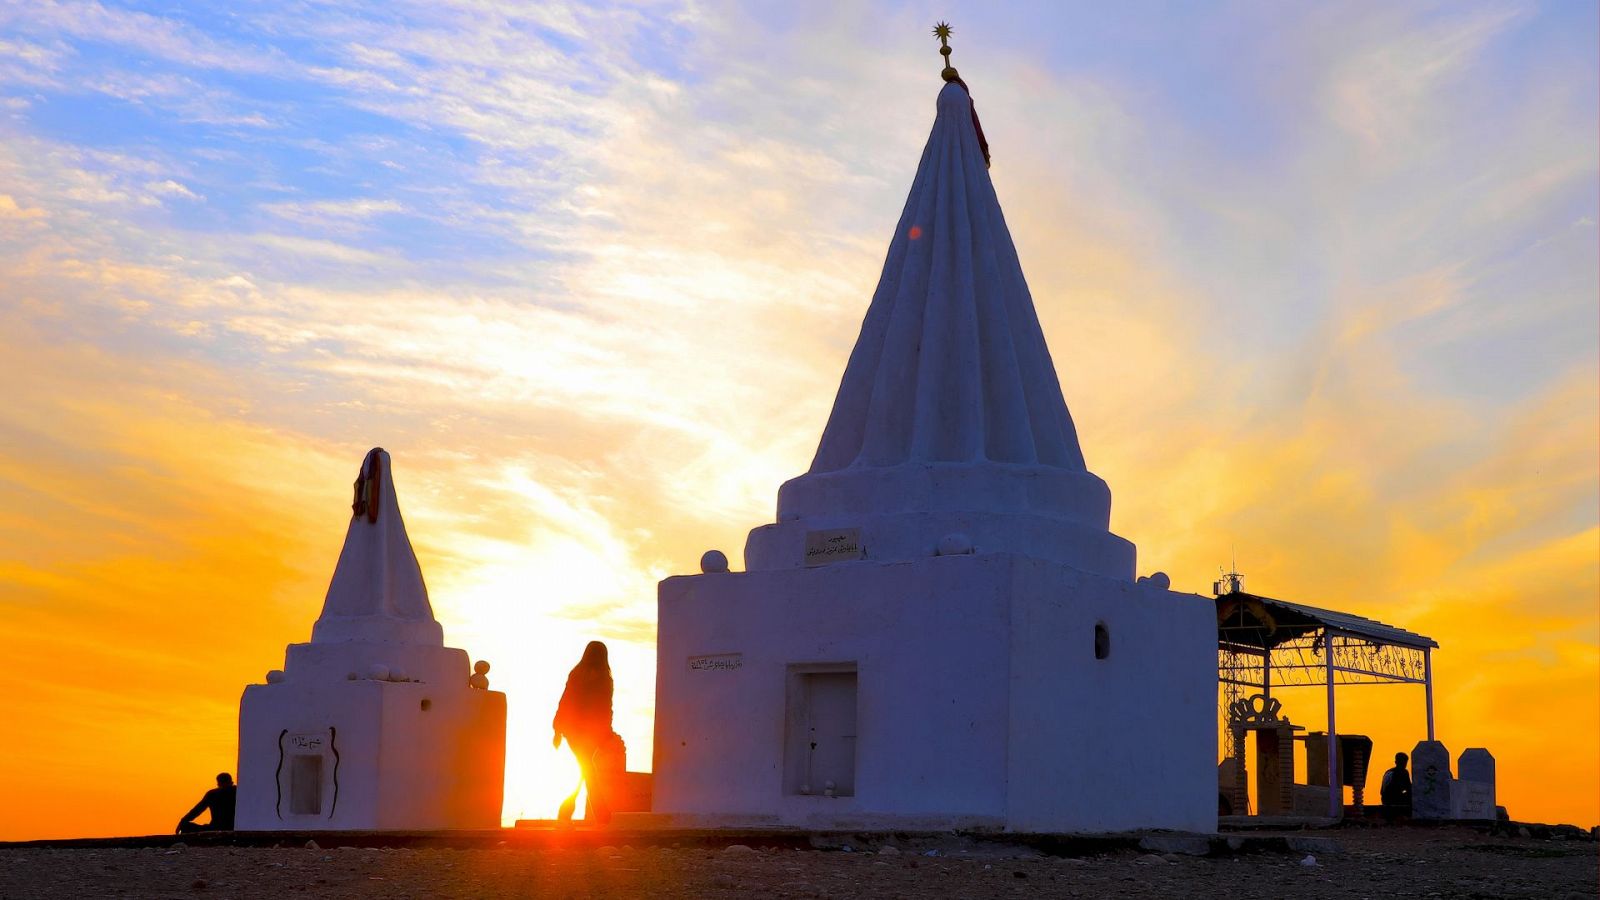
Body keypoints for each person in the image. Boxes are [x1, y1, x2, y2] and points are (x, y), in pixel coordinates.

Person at [553, 641, 621, 824]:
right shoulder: (605, 680)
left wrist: (558, 729)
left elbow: (565, 700)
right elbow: (606, 708)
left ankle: (569, 808)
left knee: (586, 768)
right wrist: (607, 732)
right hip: (591, 733)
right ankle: (599, 813)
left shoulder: (576, 674)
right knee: (587, 768)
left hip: (573, 732)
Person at [1380, 751, 1412, 820]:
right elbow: (1383, 792)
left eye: (1404, 762)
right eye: (1402, 762)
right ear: (1396, 762)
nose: (1404, 764)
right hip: (1390, 800)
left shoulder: (1404, 773)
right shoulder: (1390, 773)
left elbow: (1409, 788)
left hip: (1398, 798)